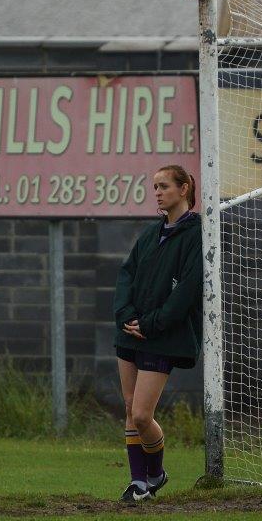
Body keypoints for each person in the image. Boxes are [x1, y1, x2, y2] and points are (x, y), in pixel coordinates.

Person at [112, 165, 202, 503]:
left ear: (184, 189)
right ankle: (140, 482)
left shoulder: (197, 234)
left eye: (164, 186)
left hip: (161, 336)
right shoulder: (151, 233)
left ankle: (156, 474)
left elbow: (188, 290)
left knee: (141, 414)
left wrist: (150, 323)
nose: (158, 192)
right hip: (129, 334)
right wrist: (125, 315)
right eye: (155, 187)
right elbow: (127, 275)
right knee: (128, 406)